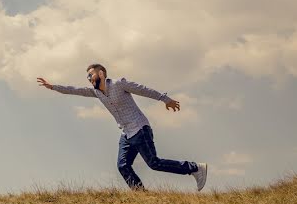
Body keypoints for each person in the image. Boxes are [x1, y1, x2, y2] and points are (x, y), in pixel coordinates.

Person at [37, 63, 208, 191]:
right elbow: (73, 90)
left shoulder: (119, 84)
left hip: (140, 128)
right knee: (123, 165)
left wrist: (165, 99)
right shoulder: (96, 92)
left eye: (91, 75)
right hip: (126, 133)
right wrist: (52, 87)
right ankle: (141, 195)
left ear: (101, 73)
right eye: (87, 77)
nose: (89, 79)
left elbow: (143, 89)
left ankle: (195, 168)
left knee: (154, 163)